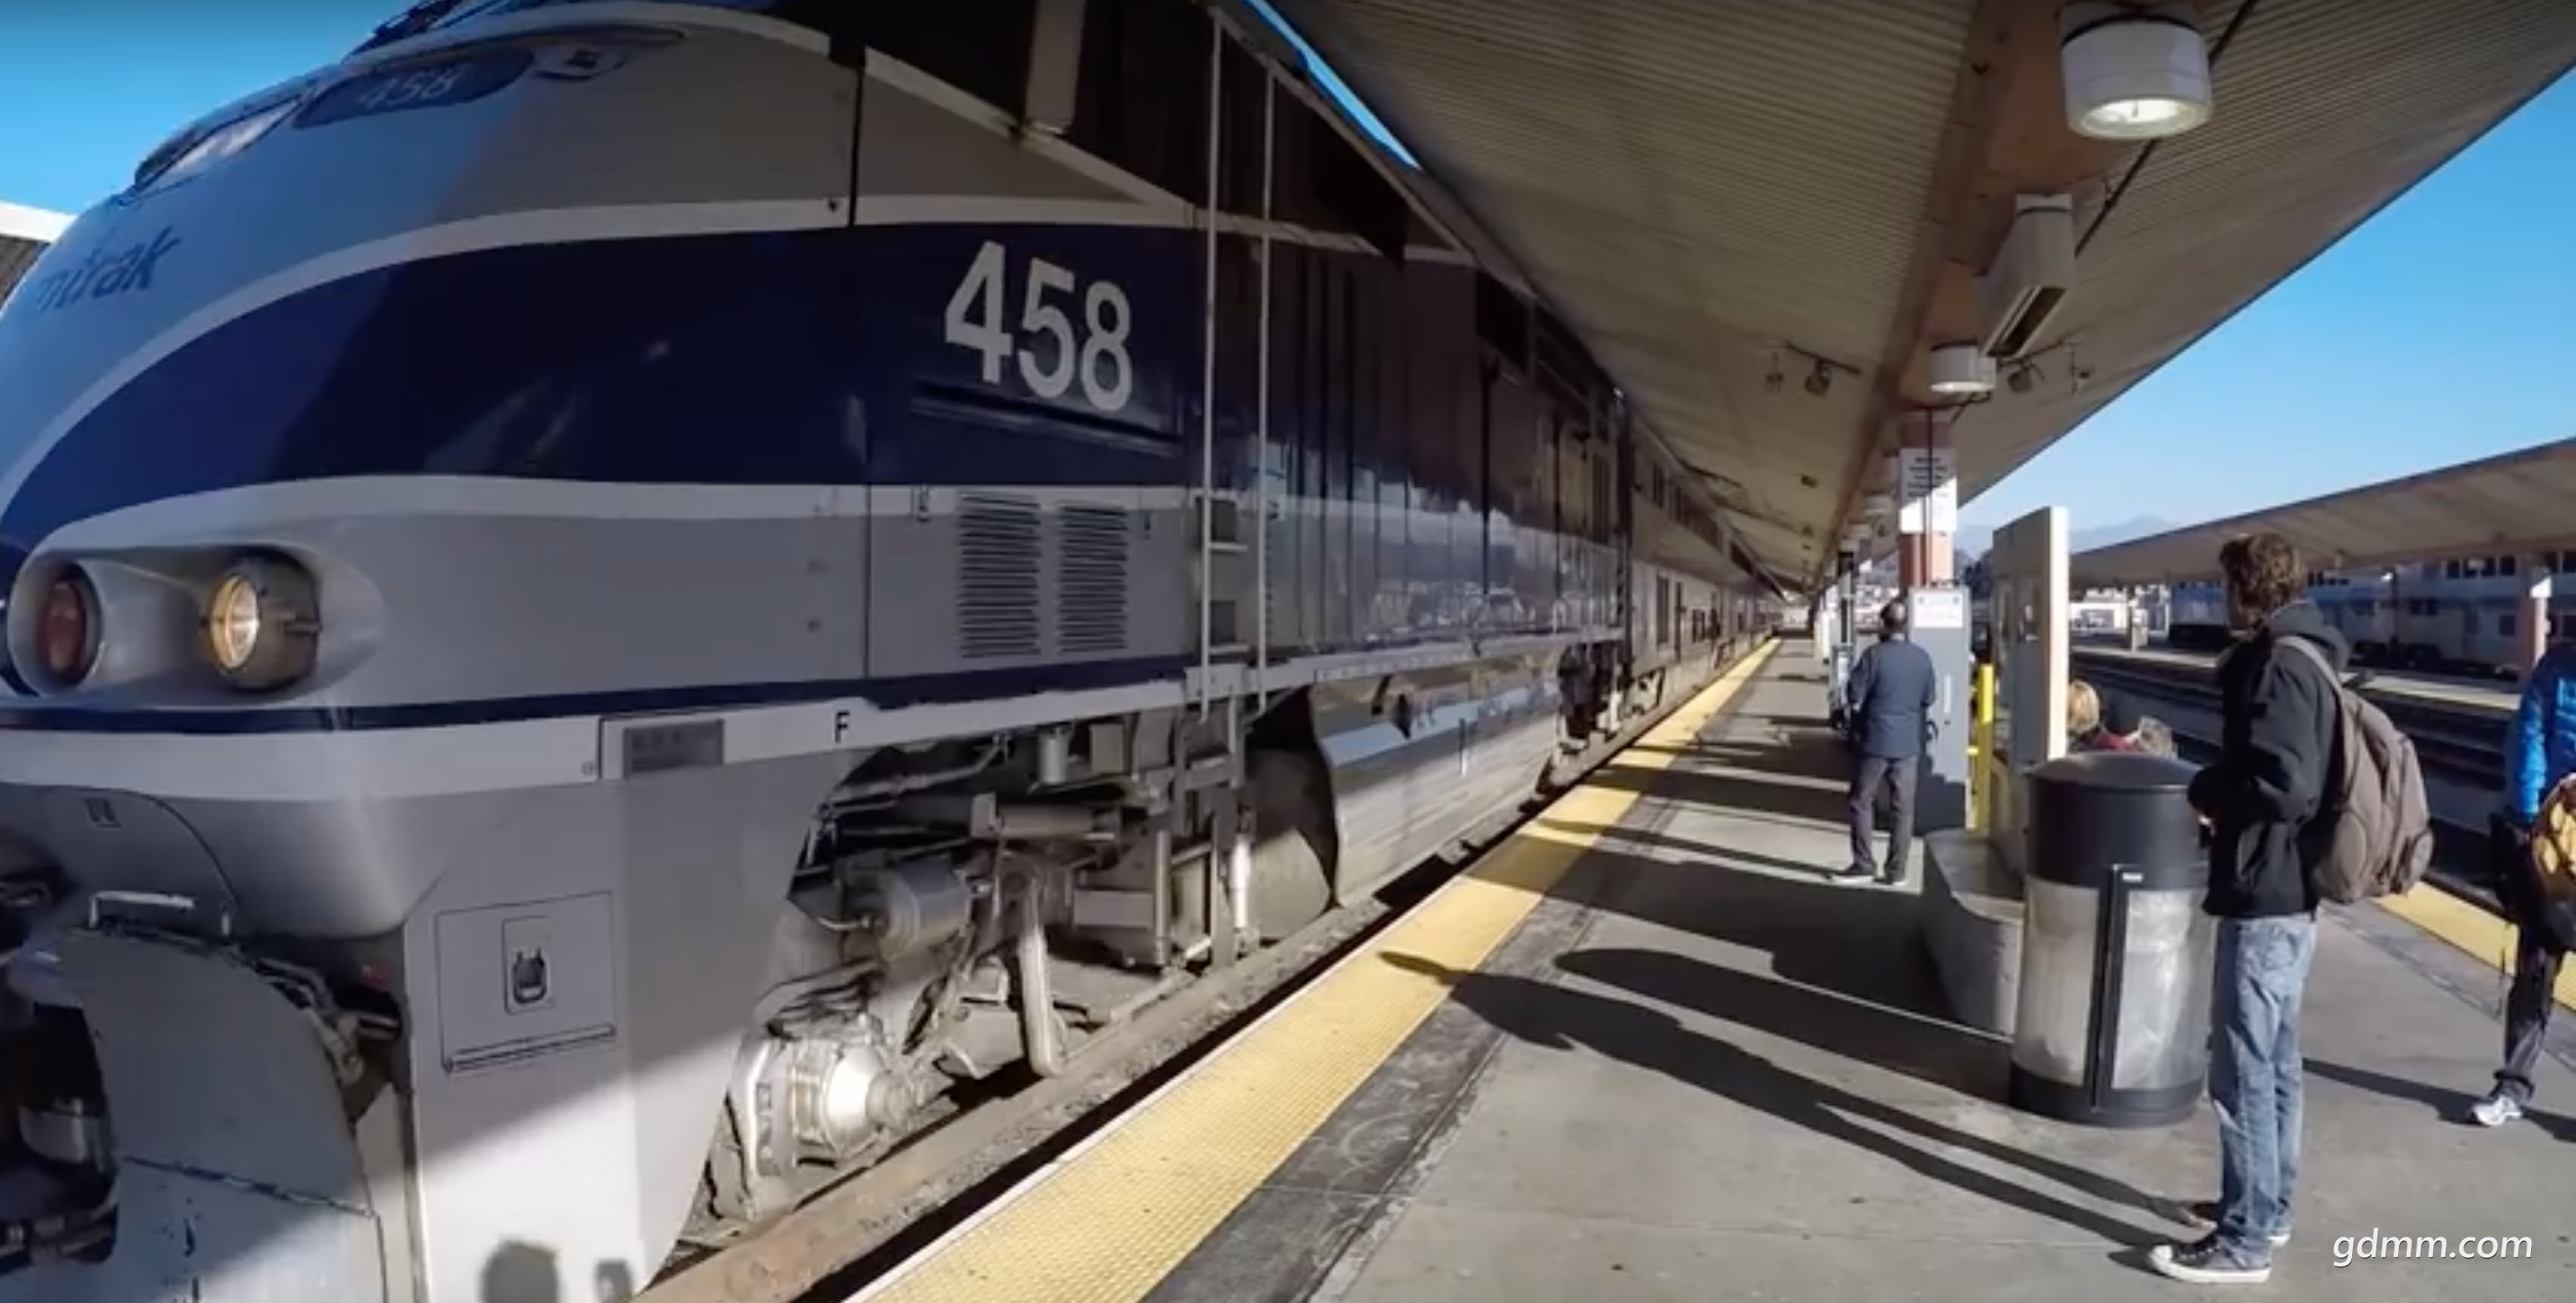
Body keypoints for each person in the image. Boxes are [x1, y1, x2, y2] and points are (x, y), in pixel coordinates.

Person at [2154, 532, 2341, 1286]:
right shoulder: (2310, 654)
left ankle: (2245, 1240)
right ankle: (2267, 1206)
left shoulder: (2280, 666)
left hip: (2266, 888)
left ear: (2248, 587)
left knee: (2243, 1072)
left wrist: (2208, 789)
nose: (2221, 598)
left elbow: (2286, 784)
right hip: (2288, 889)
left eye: (2226, 584)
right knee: (2276, 1062)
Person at [2472, 638, 2576, 1127]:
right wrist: (2530, 818)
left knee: (2535, 971)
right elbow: (2529, 740)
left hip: (2551, 838)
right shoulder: (2556, 667)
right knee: (2535, 970)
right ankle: (2512, 1086)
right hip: (2551, 845)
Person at [1843, 598, 1936, 885]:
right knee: (1903, 810)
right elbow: (1928, 698)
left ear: (1883, 625)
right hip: (1908, 744)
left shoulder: (1873, 656)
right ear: (1906, 626)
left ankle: (1864, 865)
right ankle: (1897, 872)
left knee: (1861, 801)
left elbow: (1853, 694)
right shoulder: (1922, 657)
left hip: (1875, 742)